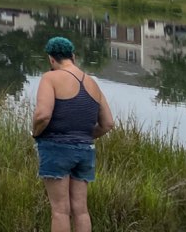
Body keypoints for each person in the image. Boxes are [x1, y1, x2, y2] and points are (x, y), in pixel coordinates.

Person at [32, 36, 115, 232]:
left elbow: (42, 115)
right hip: (86, 150)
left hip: (56, 148)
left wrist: (36, 133)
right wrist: (85, 138)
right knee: (81, 210)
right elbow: (108, 123)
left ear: (51, 59)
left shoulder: (50, 77)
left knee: (60, 210)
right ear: (73, 57)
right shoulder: (93, 82)